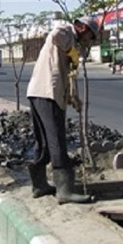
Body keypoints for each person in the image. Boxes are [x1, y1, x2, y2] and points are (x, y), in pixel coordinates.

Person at [26, 16, 100, 204]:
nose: (89, 40)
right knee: (56, 140)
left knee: (42, 142)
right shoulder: (65, 32)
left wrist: (74, 98)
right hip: (48, 93)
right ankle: (64, 191)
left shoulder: (71, 42)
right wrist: (71, 48)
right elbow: (57, 33)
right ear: (82, 27)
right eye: (90, 35)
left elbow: (68, 76)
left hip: (38, 92)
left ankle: (39, 185)